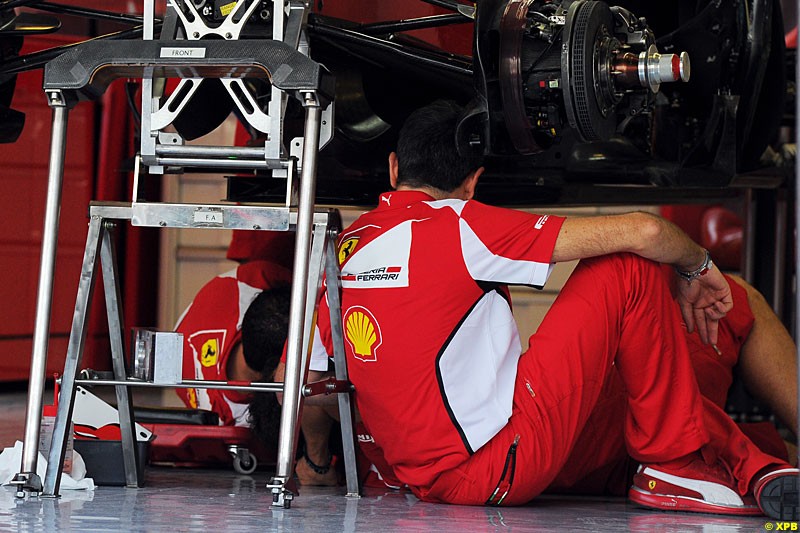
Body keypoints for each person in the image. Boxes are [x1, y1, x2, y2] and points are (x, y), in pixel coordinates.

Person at [304, 100, 798, 519]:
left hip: (421, 480)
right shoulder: (459, 224)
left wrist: (330, 461)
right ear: (473, 183)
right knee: (630, 263)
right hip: (500, 465)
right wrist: (697, 265)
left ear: (393, 168)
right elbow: (646, 232)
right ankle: (674, 463)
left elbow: (311, 382)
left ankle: (740, 462)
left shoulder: (345, 245)